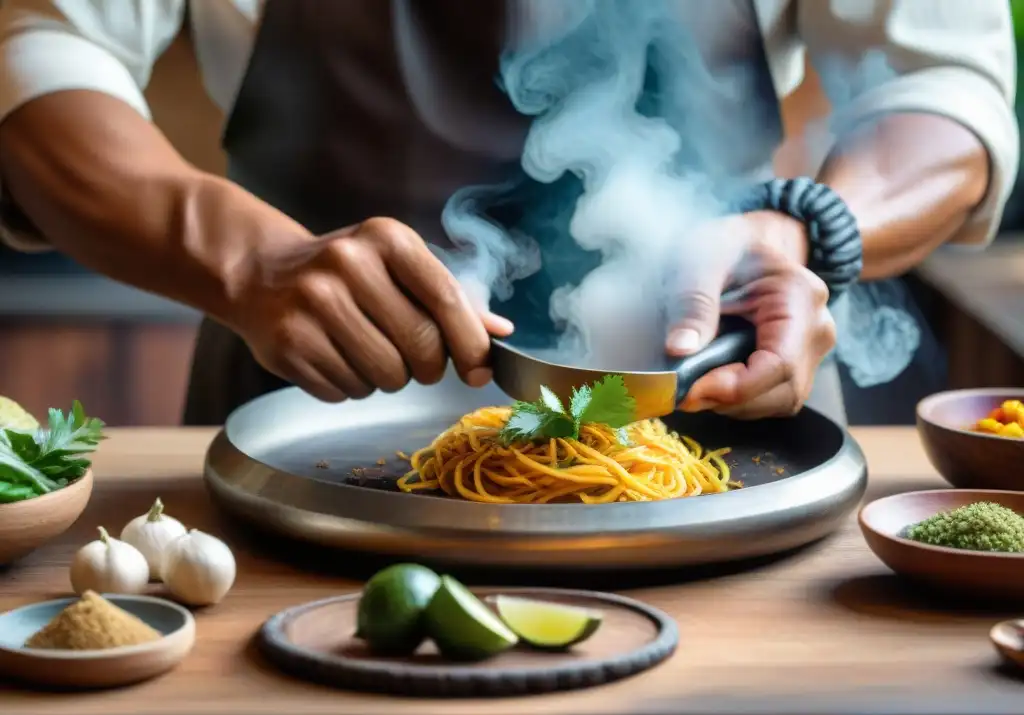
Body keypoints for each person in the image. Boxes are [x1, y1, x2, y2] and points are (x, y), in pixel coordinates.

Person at [0, 1, 1015, 427]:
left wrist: (800, 228)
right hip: (305, 421)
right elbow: (40, 52)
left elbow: (941, 89)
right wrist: (246, 257)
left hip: (714, 406)